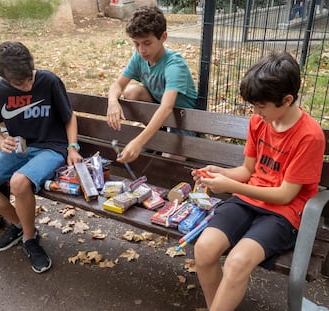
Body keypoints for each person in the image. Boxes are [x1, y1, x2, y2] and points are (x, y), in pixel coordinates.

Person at [191, 51, 325, 310]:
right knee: (205, 248)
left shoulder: (310, 136)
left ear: (286, 100)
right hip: (248, 198)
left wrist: (229, 186)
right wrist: (219, 172)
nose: (255, 112)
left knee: (237, 262)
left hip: (284, 214)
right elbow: (246, 171)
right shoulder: (259, 122)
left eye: (261, 106)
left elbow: (286, 195)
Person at [0, 41, 83, 273]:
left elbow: (70, 117)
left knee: (19, 182)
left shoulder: (48, 81)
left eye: (29, 78)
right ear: (4, 78)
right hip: (19, 150)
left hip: (52, 147)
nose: (28, 86)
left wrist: (73, 147)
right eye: (20, 83)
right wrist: (0, 140)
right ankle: (18, 224)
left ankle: (30, 239)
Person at [106, 5, 198, 163]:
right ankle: (158, 133)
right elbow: (117, 85)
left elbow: (167, 107)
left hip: (183, 121)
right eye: (136, 44)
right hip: (160, 113)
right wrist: (113, 101)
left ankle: (160, 138)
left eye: (147, 43)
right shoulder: (139, 57)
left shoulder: (174, 65)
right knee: (131, 92)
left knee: (168, 160)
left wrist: (139, 141)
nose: (141, 50)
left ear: (163, 37)